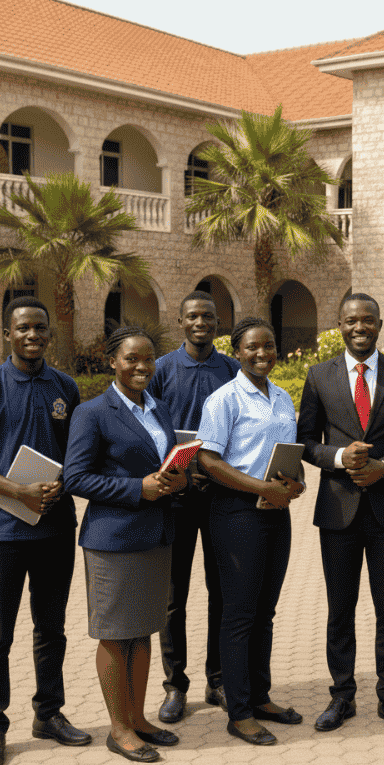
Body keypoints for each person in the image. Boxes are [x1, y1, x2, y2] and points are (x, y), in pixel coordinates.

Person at [0, 296, 91, 765]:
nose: (32, 335)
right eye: (23, 328)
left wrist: (64, 482)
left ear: (49, 334)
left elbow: (77, 451)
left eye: (40, 328)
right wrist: (17, 490)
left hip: (54, 528)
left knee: (51, 630)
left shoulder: (65, 387)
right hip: (2, 532)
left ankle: (49, 714)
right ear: (6, 334)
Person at [297, 292, 384, 735]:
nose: (360, 327)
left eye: (368, 320)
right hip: (338, 511)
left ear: (379, 324)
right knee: (341, 609)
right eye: (351, 320)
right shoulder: (319, 376)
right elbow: (306, 440)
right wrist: (338, 458)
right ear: (339, 323)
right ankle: (342, 696)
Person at [63, 327, 188, 763]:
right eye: (132, 358)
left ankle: (137, 718)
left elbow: (163, 464)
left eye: (149, 359)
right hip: (112, 540)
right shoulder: (92, 412)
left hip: (155, 536)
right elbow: (75, 478)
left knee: (145, 629)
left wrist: (177, 478)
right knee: (117, 636)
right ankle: (118, 731)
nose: (141, 367)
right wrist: (139, 488)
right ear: (112, 361)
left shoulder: (160, 409)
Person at [196, 317, 305, 746]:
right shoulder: (224, 399)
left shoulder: (280, 396)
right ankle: (238, 712)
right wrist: (262, 487)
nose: (262, 354)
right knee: (239, 614)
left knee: (266, 612)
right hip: (236, 514)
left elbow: (285, 454)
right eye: (252, 347)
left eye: (269, 346)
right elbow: (208, 459)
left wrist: (293, 483)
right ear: (237, 352)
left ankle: (260, 697)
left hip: (276, 513)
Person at [148, 290, 241, 723]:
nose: (200, 322)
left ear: (218, 322)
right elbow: (146, 427)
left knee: (221, 592)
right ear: (180, 322)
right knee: (173, 597)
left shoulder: (233, 369)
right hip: (176, 499)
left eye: (208, 315)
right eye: (192, 316)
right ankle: (174, 685)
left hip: (222, 497)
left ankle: (218, 679)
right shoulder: (162, 369)